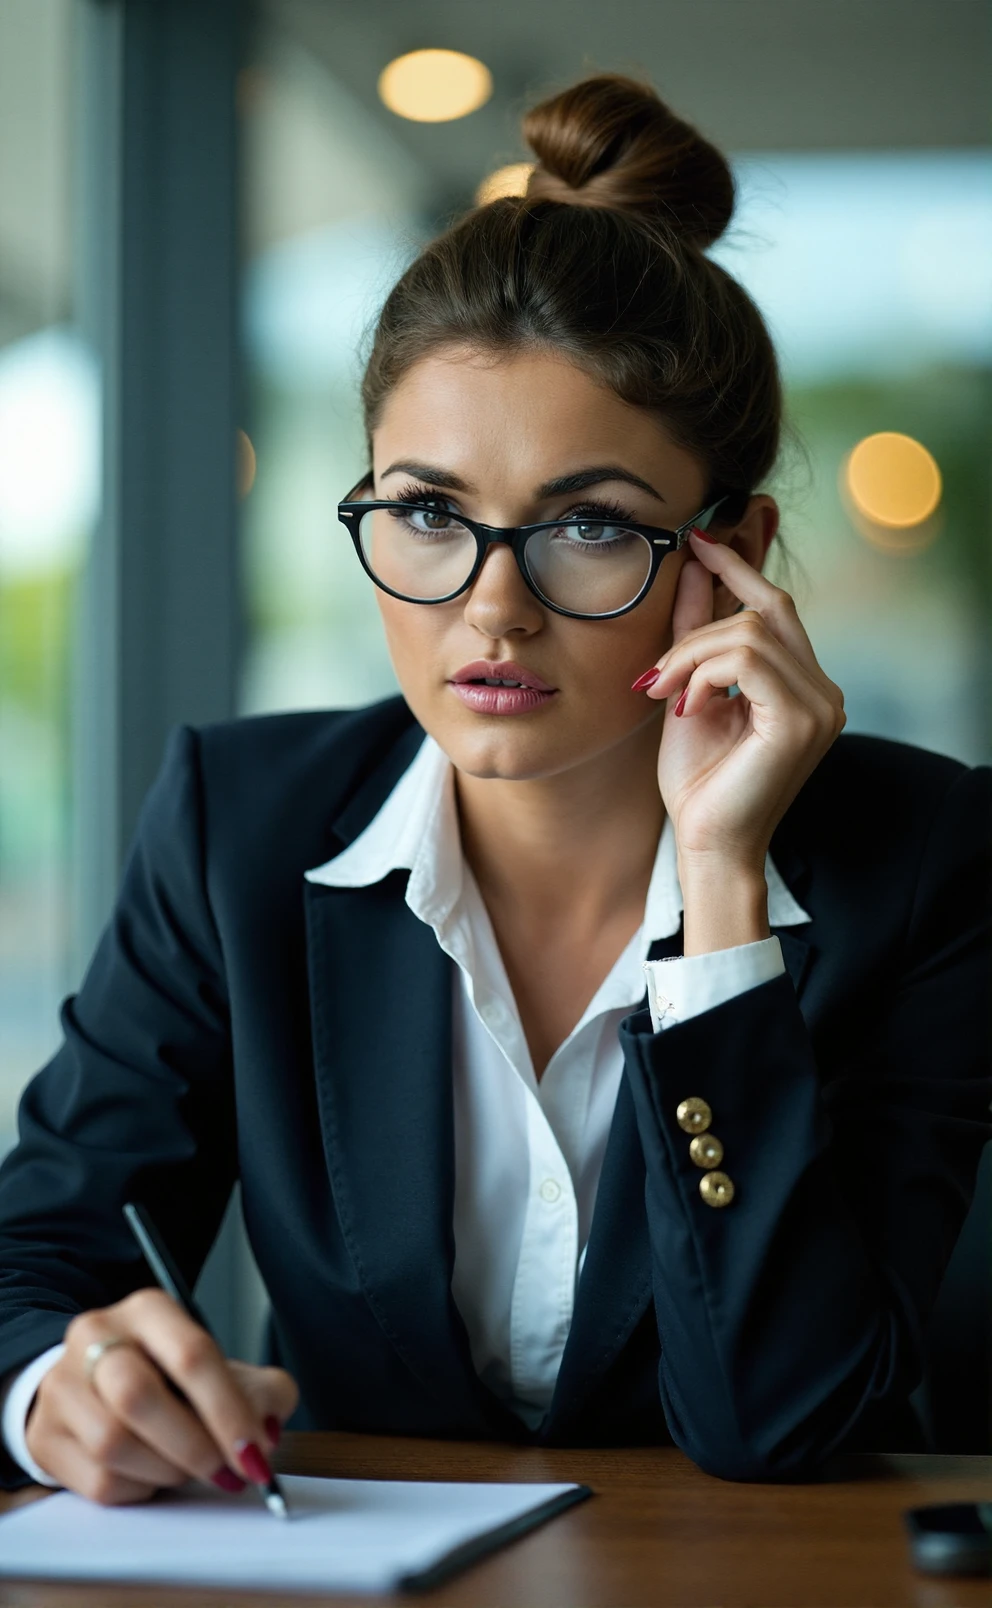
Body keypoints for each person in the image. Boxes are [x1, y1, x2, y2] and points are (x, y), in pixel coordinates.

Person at [0, 74, 989, 1505]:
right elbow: (35, 1255)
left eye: (590, 524)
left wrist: (723, 895)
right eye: (428, 513)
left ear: (739, 553)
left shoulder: (926, 856)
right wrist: (57, 1395)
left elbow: (784, 1420)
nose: (494, 610)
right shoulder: (243, 823)